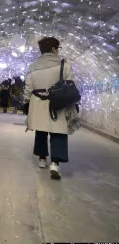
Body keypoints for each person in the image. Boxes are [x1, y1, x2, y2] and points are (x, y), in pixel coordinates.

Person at [24, 37, 75, 180]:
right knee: (58, 132)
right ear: (53, 49)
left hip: (38, 102)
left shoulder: (32, 66)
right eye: (58, 48)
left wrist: (27, 102)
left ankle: (41, 159)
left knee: (41, 131)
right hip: (57, 103)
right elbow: (71, 83)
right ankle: (55, 163)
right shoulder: (64, 65)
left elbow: (28, 88)